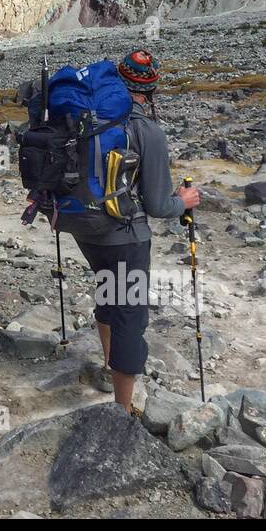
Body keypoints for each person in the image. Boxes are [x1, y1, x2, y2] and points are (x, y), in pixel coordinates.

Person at [59, 49, 200, 411]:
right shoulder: (147, 130)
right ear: (150, 90)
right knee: (130, 316)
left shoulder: (85, 120)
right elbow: (157, 205)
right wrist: (184, 201)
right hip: (126, 236)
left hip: (82, 227)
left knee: (109, 292)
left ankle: (110, 368)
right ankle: (122, 411)